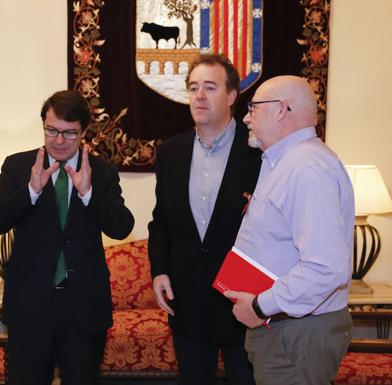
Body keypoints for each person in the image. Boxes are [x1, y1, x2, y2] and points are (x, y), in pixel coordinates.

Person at [0, 90, 134, 385]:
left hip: (84, 308)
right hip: (30, 307)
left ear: (84, 132)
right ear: (43, 125)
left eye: (69, 133)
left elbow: (122, 226)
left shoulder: (101, 171)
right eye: (51, 130)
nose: (59, 140)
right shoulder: (17, 166)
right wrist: (30, 192)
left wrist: (88, 194)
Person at [225, 75, 354, 385]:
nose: (246, 118)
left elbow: (325, 267)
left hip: (296, 333)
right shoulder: (286, 162)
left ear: (281, 109)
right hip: (287, 330)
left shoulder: (307, 168)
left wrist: (260, 305)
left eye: (253, 108)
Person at [148, 54, 261, 385]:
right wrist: (160, 271)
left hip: (243, 301)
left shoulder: (259, 151)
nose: (199, 96)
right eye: (193, 87)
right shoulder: (171, 152)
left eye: (210, 87)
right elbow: (161, 223)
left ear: (231, 96)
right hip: (188, 301)